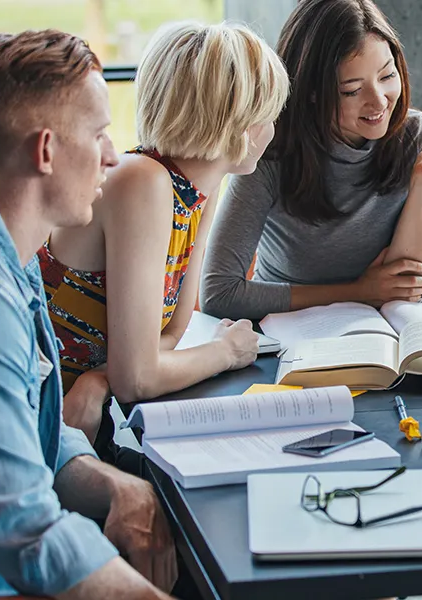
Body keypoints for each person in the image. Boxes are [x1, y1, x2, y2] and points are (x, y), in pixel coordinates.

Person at [0, 30, 176, 599]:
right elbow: (29, 534)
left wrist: (118, 487)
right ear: (45, 151)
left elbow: (25, 433)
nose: (114, 155)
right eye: (98, 134)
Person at [40, 21, 290, 471]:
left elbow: (170, 333)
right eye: (268, 113)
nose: (272, 127)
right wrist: (226, 352)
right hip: (39, 426)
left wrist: (101, 379)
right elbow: (138, 378)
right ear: (238, 122)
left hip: (82, 419)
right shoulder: (143, 181)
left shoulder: (198, 191)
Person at [200, 0, 422, 321]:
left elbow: (413, 283)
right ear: (312, 91)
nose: (379, 101)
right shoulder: (268, 148)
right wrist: (358, 292)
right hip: (284, 335)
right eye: (352, 90)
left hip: (376, 335)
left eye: (387, 76)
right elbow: (219, 293)